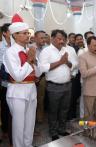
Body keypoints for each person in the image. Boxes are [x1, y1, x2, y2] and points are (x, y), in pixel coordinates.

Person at [3, 14, 41, 147]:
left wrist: (34, 61)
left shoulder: (28, 50)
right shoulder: (10, 52)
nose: (28, 35)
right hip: (17, 92)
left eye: (28, 33)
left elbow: (39, 73)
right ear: (15, 35)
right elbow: (18, 76)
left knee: (30, 124)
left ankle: (28, 144)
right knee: (19, 126)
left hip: (31, 90)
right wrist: (29, 60)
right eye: (24, 33)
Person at [39, 29, 72, 141]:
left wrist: (66, 61)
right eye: (59, 38)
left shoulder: (65, 50)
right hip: (54, 86)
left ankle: (62, 129)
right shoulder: (46, 51)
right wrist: (60, 62)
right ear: (52, 38)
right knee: (53, 110)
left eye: (63, 39)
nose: (61, 41)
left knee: (64, 110)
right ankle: (53, 132)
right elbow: (43, 68)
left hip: (67, 85)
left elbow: (71, 65)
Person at [0, 23, 13, 146]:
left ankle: (13, 132)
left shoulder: (16, 45)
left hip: (17, 84)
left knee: (14, 111)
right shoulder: (1, 46)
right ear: (4, 33)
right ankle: (5, 130)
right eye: (11, 30)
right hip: (5, 83)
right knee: (5, 108)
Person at [32, 30, 46, 123]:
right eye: (41, 38)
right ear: (35, 38)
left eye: (44, 37)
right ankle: (31, 120)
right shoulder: (30, 48)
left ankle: (39, 119)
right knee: (32, 100)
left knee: (41, 99)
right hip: (31, 78)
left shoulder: (47, 49)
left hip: (43, 77)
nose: (44, 40)